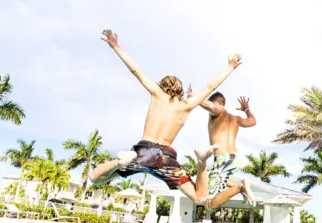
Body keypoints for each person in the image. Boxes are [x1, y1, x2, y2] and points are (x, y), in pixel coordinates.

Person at [88, 29, 242, 204]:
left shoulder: (156, 93)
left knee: (95, 177)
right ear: (180, 91)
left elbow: (136, 70)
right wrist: (230, 67)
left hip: (143, 152)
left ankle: (118, 162)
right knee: (200, 198)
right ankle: (201, 162)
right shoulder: (186, 106)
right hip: (167, 158)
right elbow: (210, 87)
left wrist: (116, 46)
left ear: (162, 85)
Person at [188, 88, 257, 209]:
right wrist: (246, 109)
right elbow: (252, 122)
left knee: (209, 204)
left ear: (216, 103)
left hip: (223, 159)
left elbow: (211, 106)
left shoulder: (219, 111)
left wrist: (194, 97)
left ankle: (240, 186)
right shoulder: (236, 119)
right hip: (234, 158)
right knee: (210, 176)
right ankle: (239, 187)